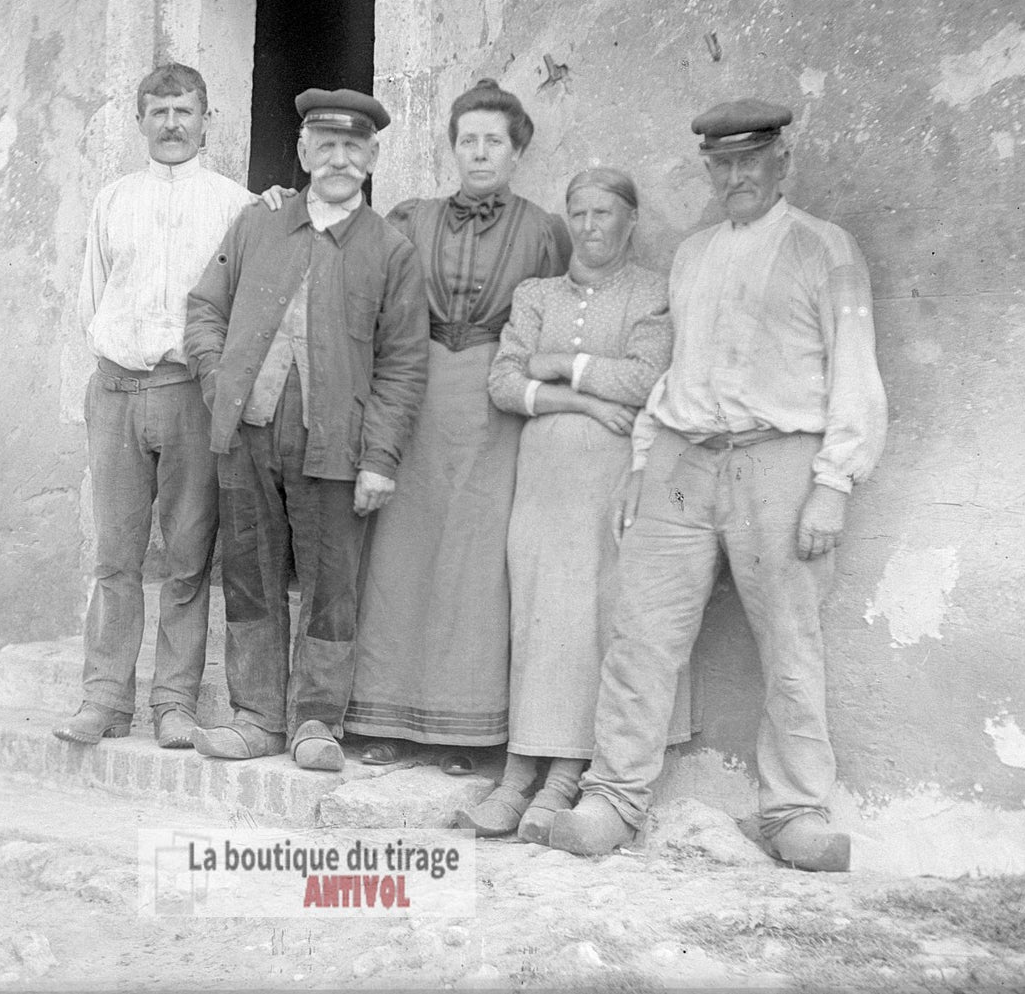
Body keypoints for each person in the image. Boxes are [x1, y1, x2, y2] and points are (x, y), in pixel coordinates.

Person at [550, 99, 888, 871]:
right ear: (707, 168)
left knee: (790, 638)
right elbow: (674, 369)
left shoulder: (823, 248)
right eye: (721, 163)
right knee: (639, 631)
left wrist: (834, 480)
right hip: (680, 459)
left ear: (780, 162)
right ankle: (614, 797)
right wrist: (642, 462)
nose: (735, 175)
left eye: (750, 160)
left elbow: (855, 366)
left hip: (780, 461)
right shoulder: (693, 253)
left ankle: (795, 810)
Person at [184, 88, 428, 771]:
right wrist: (217, 380)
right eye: (326, 145)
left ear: (373, 158)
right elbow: (204, 307)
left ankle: (315, 721)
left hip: (335, 445)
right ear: (302, 151)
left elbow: (405, 363)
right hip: (247, 435)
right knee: (250, 577)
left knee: (330, 585)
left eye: (354, 147)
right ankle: (256, 716)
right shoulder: (255, 225)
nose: (339, 159)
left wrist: (380, 456)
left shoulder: (390, 250)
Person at [343, 80, 570, 774]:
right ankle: (384, 719)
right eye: (466, 139)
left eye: (492, 141)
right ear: (452, 147)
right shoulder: (410, 218)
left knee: (474, 562)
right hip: (417, 394)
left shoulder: (543, 231)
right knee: (399, 556)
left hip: (492, 405)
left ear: (516, 150)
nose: (478, 153)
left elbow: (553, 319)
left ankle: (464, 731)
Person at [460, 168, 690, 842]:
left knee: (590, 616)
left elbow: (646, 377)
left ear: (629, 221)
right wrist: (585, 397)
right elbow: (504, 381)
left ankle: (561, 778)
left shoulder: (650, 292)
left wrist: (559, 362)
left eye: (605, 213)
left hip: (609, 478)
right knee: (537, 614)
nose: (590, 226)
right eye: (579, 213)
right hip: (540, 478)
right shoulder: (534, 295)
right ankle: (515, 771)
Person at [54, 63, 255, 749]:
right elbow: (92, 296)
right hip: (115, 391)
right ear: (139, 120)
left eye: (185, 111)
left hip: (188, 396)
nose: (172, 124)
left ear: (206, 120)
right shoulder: (113, 199)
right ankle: (104, 698)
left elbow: (242, 309)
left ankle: (172, 703)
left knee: (187, 557)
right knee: (115, 555)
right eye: (159, 111)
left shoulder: (235, 204)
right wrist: (115, 360)